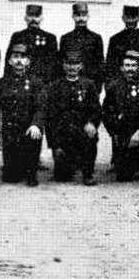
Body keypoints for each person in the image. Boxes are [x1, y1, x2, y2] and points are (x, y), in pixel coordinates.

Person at [102, 54, 139, 185]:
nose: (130, 69)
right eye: (127, 65)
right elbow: (107, 112)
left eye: (133, 65)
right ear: (122, 68)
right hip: (124, 130)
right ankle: (130, 161)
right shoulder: (113, 87)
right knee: (123, 176)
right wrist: (116, 133)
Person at [45, 49, 102, 185]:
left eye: (76, 64)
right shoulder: (55, 87)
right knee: (62, 177)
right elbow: (50, 117)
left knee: (90, 136)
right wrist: (54, 144)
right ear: (63, 66)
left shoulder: (89, 85)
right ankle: (67, 163)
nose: (72, 67)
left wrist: (92, 123)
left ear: (81, 66)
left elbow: (96, 110)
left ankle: (88, 172)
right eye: (68, 64)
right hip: (63, 133)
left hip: (82, 130)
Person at [0, 43, 46, 186]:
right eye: (15, 56)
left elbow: (41, 108)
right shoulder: (1, 84)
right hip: (10, 132)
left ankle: (31, 170)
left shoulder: (36, 83)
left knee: (34, 134)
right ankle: (13, 166)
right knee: (11, 177)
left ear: (28, 61)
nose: (19, 61)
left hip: (28, 131)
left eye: (23, 57)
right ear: (10, 61)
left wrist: (35, 125)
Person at [5, 4, 58, 83]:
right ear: (25, 18)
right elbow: (9, 60)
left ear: (41, 18)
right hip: (21, 80)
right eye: (30, 16)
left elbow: (53, 64)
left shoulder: (49, 38)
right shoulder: (17, 36)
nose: (33, 19)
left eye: (36, 16)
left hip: (42, 80)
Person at [105, 4, 139, 85]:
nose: (131, 21)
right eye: (128, 18)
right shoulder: (115, 39)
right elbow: (109, 64)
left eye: (133, 18)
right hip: (120, 84)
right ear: (123, 18)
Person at [59, 2, 104, 86]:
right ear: (73, 17)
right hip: (70, 81)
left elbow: (100, 64)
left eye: (84, 15)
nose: (81, 18)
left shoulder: (95, 38)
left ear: (88, 17)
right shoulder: (66, 38)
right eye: (78, 15)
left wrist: (98, 85)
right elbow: (61, 63)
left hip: (90, 83)